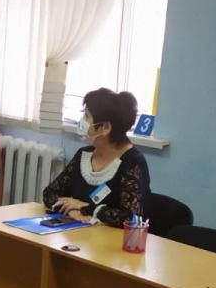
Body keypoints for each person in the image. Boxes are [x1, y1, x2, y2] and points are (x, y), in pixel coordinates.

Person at [43, 88, 150, 226]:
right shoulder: (84, 154)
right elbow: (49, 193)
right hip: (78, 233)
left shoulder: (133, 162)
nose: (82, 121)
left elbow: (130, 218)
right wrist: (71, 210)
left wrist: (86, 208)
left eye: (86, 116)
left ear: (105, 127)